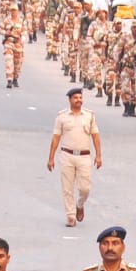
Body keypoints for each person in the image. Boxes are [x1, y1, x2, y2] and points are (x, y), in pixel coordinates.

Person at [46, 87, 102, 227]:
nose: (79, 100)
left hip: (84, 156)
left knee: (85, 189)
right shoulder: (62, 117)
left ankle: (80, 204)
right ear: (70, 100)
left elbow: (95, 136)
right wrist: (51, 158)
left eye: (80, 97)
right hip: (67, 155)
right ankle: (70, 216)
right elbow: (55, 138)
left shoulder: (89, 116)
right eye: (76, 98)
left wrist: (99, 156)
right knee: (67, 188)